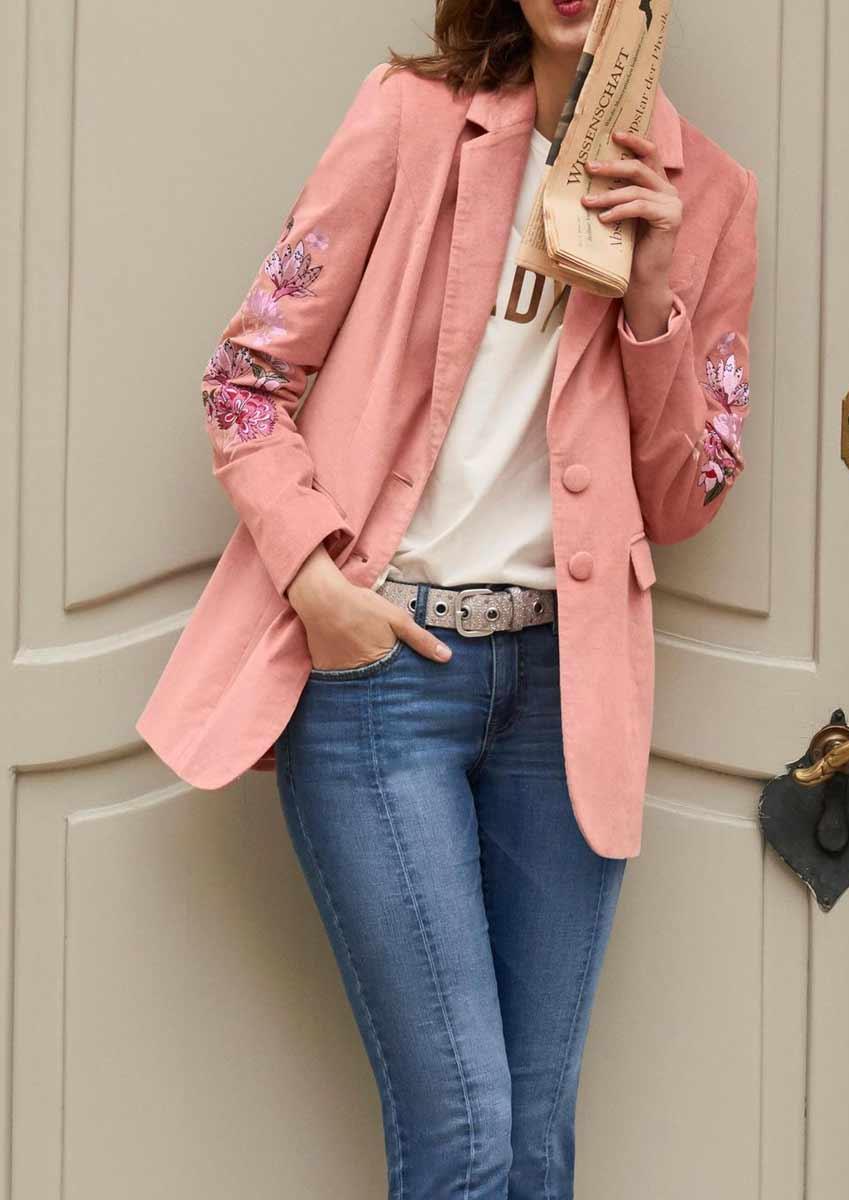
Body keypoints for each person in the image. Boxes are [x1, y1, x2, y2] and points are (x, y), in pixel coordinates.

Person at [136, 0, 759, 1195]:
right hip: (387, 680)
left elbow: (688, 498)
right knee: (467, 1139)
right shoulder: (412, 122)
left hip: (566, 698)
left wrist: (652, 297)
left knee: (533, 1150)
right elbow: (245, 379)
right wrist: (318, 583)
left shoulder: (710, 198)